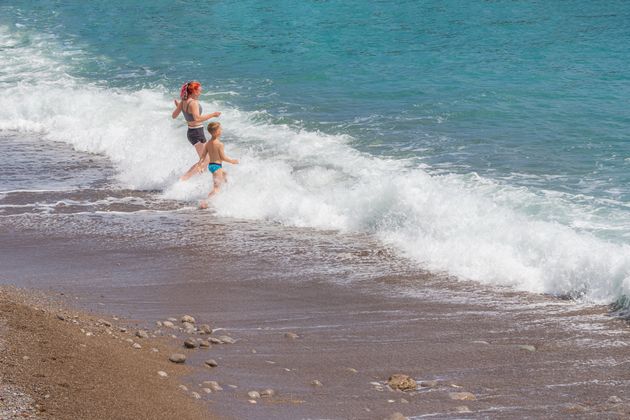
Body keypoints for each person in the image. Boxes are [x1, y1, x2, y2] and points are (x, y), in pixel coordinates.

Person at [171, 81, 221, 180]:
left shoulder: (184, 101)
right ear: (193, 91)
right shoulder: (193, 103)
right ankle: (183, 180)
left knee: (205, 160)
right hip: (197, 133)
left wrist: (180, 108)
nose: (200, 92)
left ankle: (197, 182)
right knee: (205, 160)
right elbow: (197, 118)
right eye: (199, 91)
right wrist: (213, 115)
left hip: (192, 132)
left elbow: (174, 116)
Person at [197, 122, 239, 209]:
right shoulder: (220, 144)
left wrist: (200, 165)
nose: (221, 130)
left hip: (211, 166)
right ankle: (204, 202)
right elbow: (222, 157)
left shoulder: (208, 143)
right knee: (216, 189)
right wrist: (232, 161)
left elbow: (203, 156)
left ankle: (227, 193)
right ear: (216, 132)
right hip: (217, 166)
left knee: (225, 174)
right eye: (220, 129)